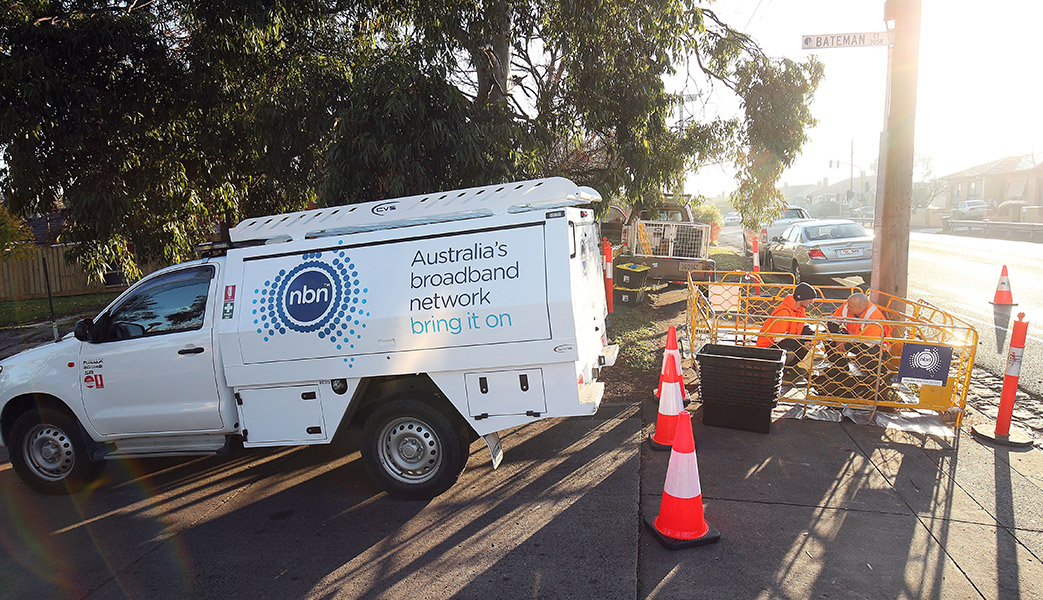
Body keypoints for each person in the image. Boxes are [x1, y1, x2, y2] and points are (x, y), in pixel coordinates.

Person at [827, 292, 893, 372]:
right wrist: (838, 339)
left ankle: (881, 374)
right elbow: (831, 322)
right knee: (826, 336)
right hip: (854, 338)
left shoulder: (875, 318)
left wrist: (844, 343)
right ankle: (840, 367)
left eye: (850, 306)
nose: (847, 307)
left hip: (875, 347)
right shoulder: (849, 305)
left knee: (864, 357)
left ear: (860, 308)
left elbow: (866, 344)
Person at [756, 282, 818, 367]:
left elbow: (803, 326)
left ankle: (786, 369)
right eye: (810, 299)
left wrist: (813, 337)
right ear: (801, 297)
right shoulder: (784, 312)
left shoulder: (800, 309)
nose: (812, 302)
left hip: (784, 344)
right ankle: (778, 370)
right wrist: (802, 343)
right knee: (791, 351)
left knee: (805, 346)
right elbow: (778, 339)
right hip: (767, 348)